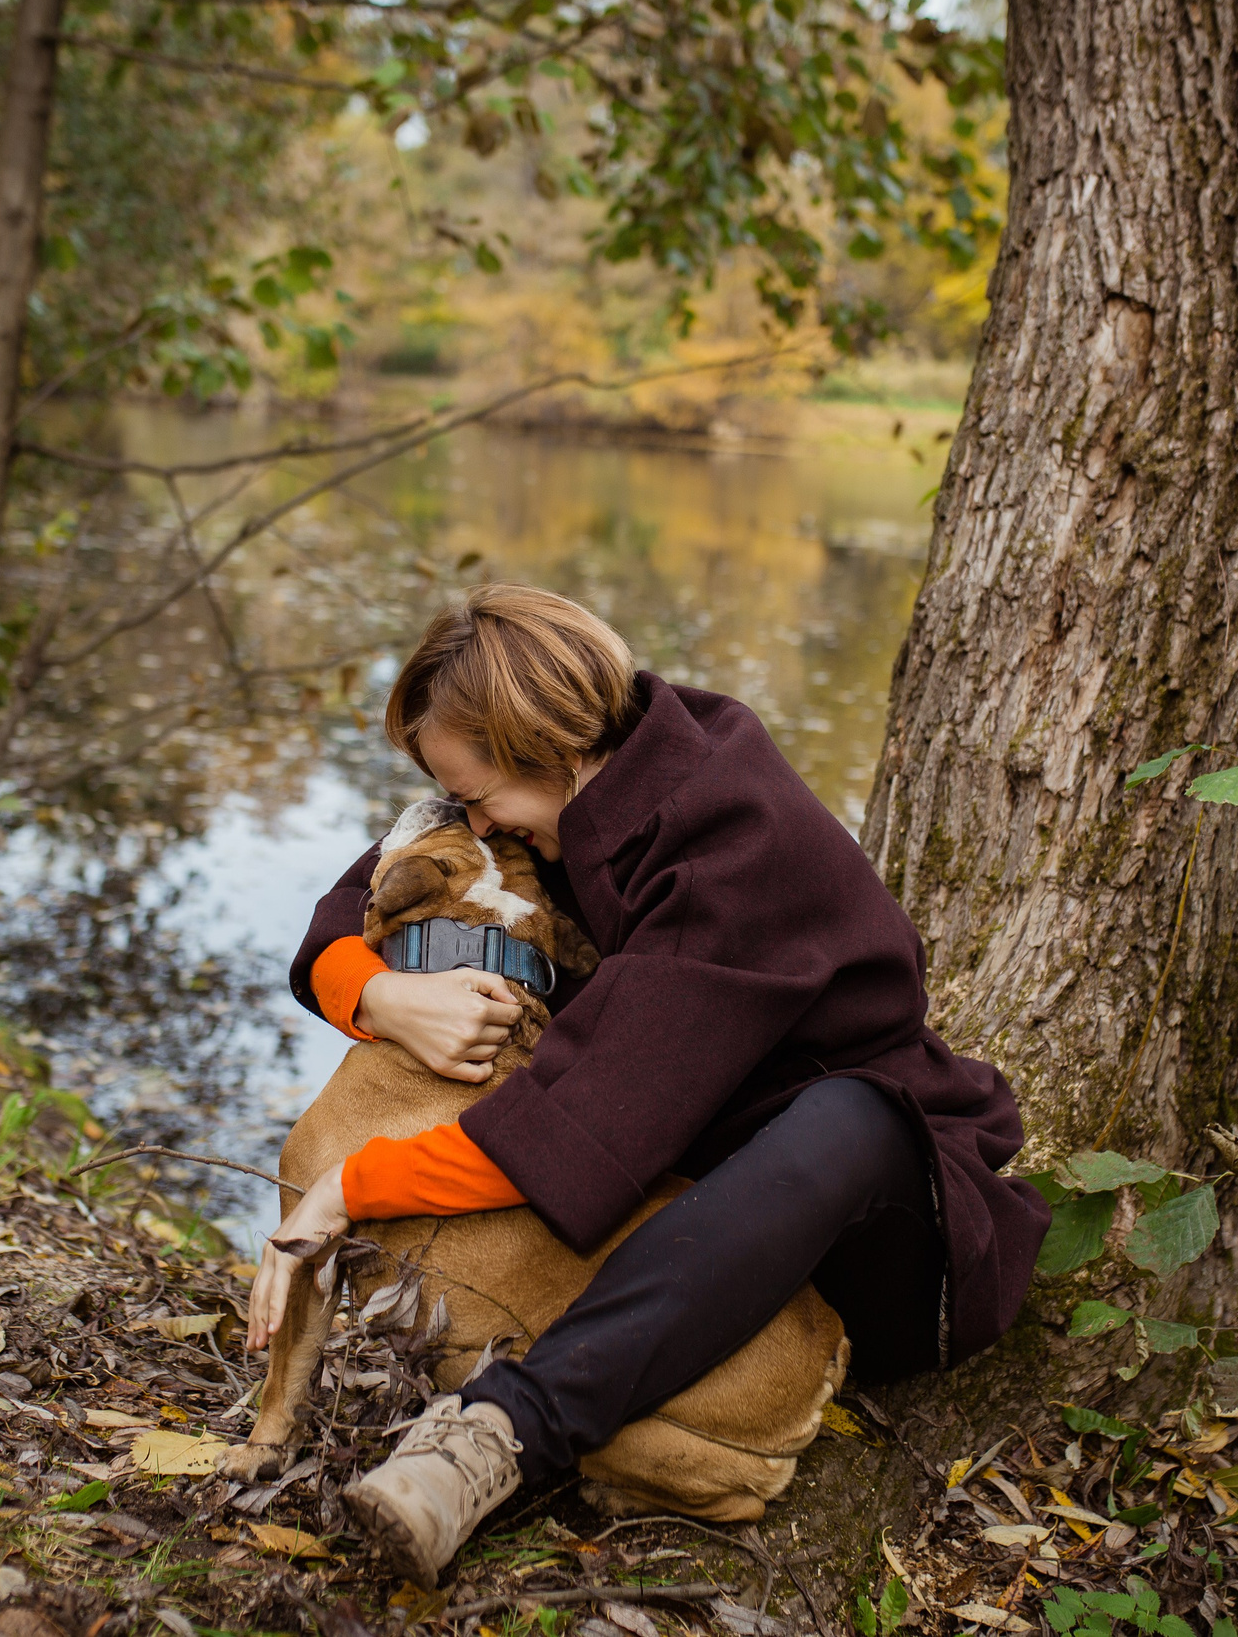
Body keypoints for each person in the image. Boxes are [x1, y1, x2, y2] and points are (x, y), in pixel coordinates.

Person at [249, 584, 1049, 1580]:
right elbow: (346, 911)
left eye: (477, 796)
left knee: (844, 1120)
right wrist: (382, 1000)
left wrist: (351, 1187)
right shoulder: (560, 790)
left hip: (879, 1222)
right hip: (690, 1202)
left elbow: (589, 1125)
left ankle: (503, 1439)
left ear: (550, 748)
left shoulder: (729, 840)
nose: (473, 819)